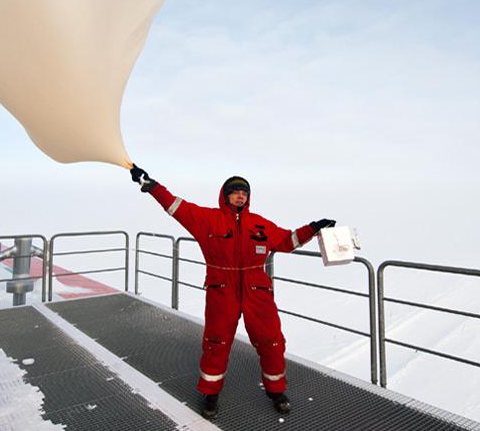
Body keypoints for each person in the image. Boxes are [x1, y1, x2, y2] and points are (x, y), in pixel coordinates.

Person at [130, 164, 335, 420]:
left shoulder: (260, 224)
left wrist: (314, 227)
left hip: (257, 291)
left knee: (271, 341)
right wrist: (151, 186)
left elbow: (287, 240)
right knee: (216, 342)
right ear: (224, 195)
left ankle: (276, 390)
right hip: (221, 289)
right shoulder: (207, 219)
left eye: (244, 192)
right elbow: (175, 207)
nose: (240, 195)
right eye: (235, 191)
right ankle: (211, 393)